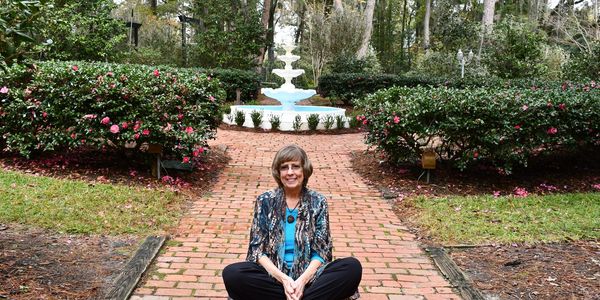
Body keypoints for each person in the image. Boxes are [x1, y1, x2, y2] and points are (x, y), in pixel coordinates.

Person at [222, 144, 362, 300]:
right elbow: (257, 250)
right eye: (284, 167)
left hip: (311, 279)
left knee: (352, 268)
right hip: (273, 278)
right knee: (233, 274)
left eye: (295, 167)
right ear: (278, 172)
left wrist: (301, 281)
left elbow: (322, 250)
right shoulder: (265, 201)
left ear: (304, 170)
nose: (290, 172)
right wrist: (284, 279)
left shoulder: (318, 201)